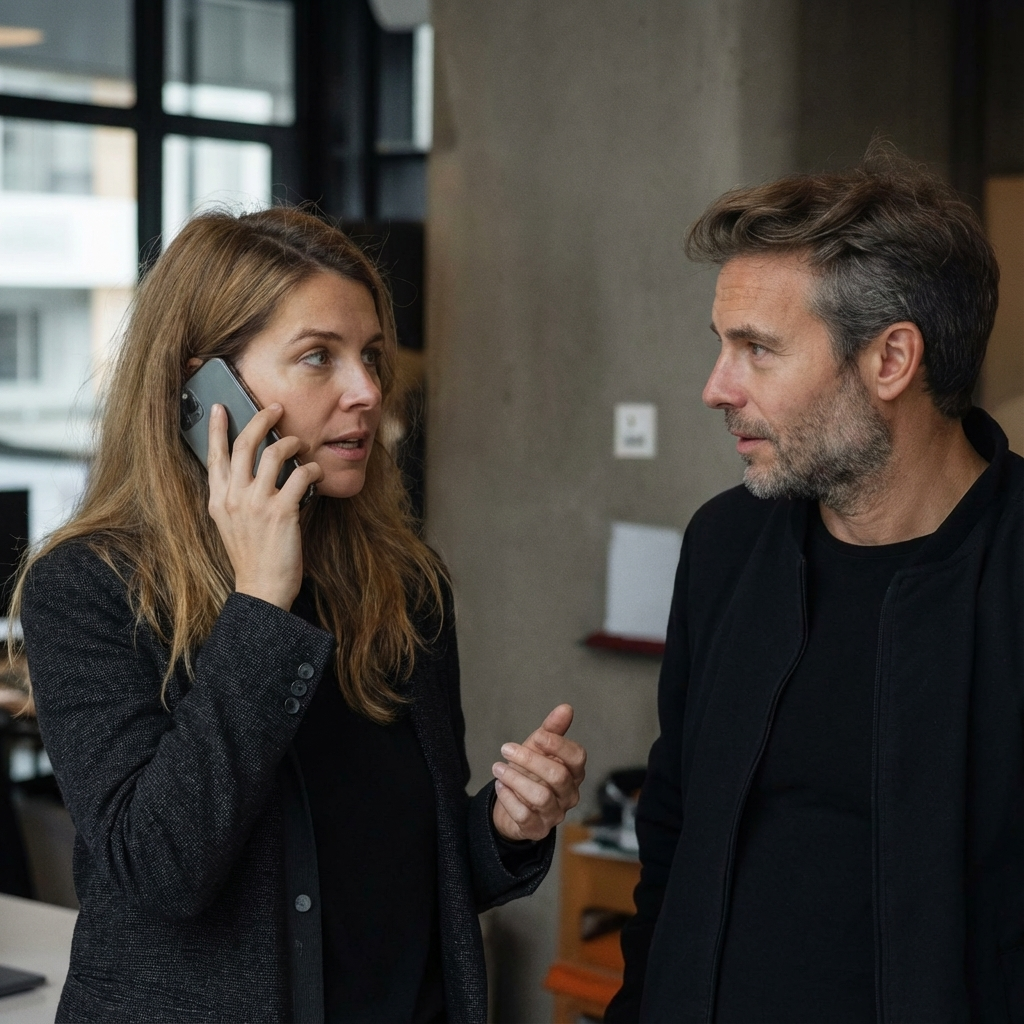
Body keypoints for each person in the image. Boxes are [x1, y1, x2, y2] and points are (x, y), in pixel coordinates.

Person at [15, 207, 586, 1024]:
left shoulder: (405, 586)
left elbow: (402, 877)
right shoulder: (87, 589)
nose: (368, 391)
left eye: (371, 355)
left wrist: (506, 826)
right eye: (319, 356)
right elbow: (162, 871)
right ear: (204, 391)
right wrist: (260, 603)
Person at [605, 155, 1022, 1023]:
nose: (715, 388)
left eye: (757, 349)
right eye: (722, 345)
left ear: (891, 358)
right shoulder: (724, 546)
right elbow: (672, 836)